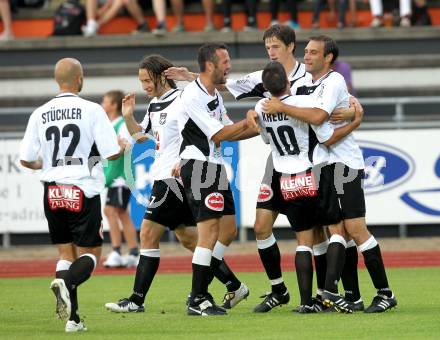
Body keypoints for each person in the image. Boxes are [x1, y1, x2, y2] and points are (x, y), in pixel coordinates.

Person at [164, 24, 359, 313]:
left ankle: (327, 293)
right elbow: (220, 83)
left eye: (276, 46)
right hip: (277, 163)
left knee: (317, 232)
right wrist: (192, 77)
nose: (270, 51)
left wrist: (352, 110)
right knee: (263, 226)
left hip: (311, 161)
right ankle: (279, 289)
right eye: (267, 46)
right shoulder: (263, 76)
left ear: (291, 47)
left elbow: (331, 109)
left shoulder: (311, 78)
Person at [104, 54, 250, 314]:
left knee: (148, 233)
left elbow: (197, 132)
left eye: (148, 80)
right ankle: (233, 285)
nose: (144, 86)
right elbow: (141, 137)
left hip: (176, 176)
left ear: (163, 76)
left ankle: (137, 300)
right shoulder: (154, 104)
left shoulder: (184, 99)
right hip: (167, 174)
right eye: (141, 81)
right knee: (190, 239)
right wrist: (128, 116)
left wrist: (184, 161)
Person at [263, 35, 397, 313]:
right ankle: (353, 295)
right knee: (339, 231)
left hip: (344, 164)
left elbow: (319, 122)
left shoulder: (333, 81)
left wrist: (355, 118)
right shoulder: (304, 84)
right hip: (322, 166)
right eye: (307, 51)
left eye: (313, 53)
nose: (307, 56)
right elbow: (279, 93)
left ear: (328, 58)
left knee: (355, 229)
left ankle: (385, 293)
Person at [248, 60, 363, 313]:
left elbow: (266, 138)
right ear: (288, 81)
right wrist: (354, 122)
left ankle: (305, 302)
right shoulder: (304, 104)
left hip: (286, 178)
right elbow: (327, 135)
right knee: (337, 231)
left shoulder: (260, 106)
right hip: (314, 171)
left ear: (265, 86)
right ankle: (330, 290)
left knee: (304, 241)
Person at [19, 58, 124, 332]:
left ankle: (73, 319)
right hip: (82, 188)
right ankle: (65, 283)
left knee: (66, 253)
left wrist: (48, 164)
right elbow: (111, 152)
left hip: (52, 189)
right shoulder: (92, 110)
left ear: (57, 80)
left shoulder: (39, 113)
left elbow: (26, 159)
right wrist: (122, 147)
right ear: (79, 79)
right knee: (91, 254)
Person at [178, 43, 258, 316]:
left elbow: (231, 132)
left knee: (228, 231)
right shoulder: (192, 96)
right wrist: (250, 120)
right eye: (225, 61)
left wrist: (260, 128)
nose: (229, 66)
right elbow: (220, 134)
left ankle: (225, 286)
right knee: (209, 234)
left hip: (214, 166)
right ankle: (198, 298)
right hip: (200, 168)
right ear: (210, 65)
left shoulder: (214, 95)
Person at [101, 90, 139, 268]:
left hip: (121, 176)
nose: (103, 104)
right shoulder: (110, 124)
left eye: (105, 101)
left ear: (114, 105)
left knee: (113, 211)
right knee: (118, 213)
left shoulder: (121, 124)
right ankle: (131, 252)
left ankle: (119, 251)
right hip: (114, 176)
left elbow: (127, 144)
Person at [82, 0, 149, 37]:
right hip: (103, 4)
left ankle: (96, 26)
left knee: (120, 2)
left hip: (117, 3)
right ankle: (91, 23)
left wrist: (105, 8)